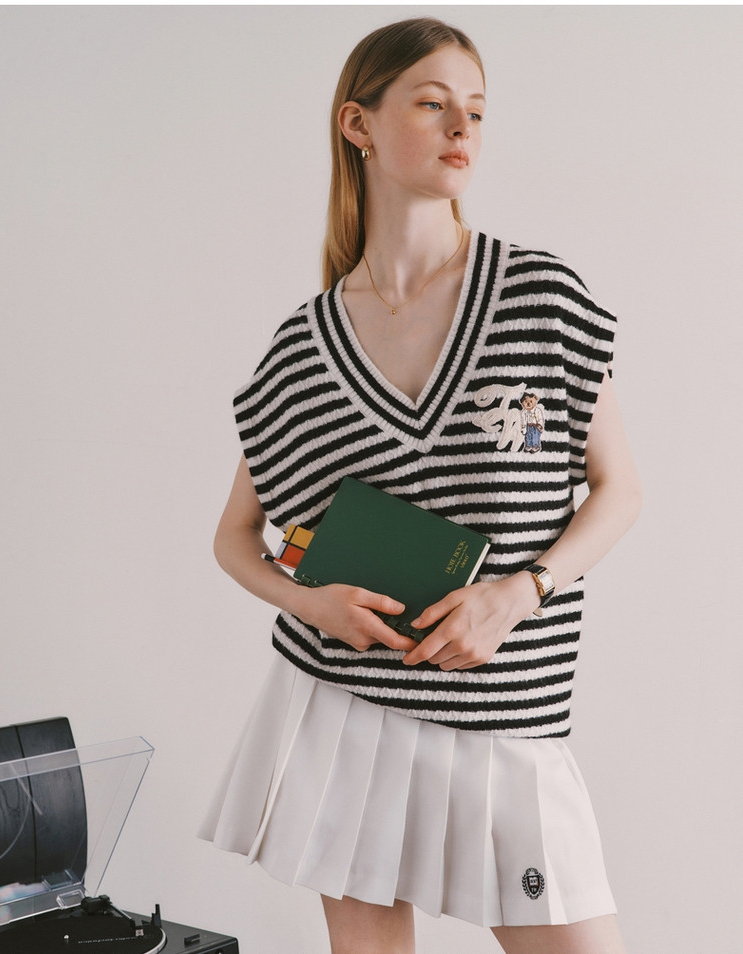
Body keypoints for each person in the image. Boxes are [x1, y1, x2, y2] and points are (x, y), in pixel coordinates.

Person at [200, 17, 641, 954]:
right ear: (357, 124)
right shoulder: (304, 346)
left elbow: (619, 491)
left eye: (476, 110)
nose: (462, 128)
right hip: (343, 706)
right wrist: (310, 602)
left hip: (505, 709)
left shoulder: (538, 295)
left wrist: (520, 593)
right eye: (433, 104)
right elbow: (237, 537)